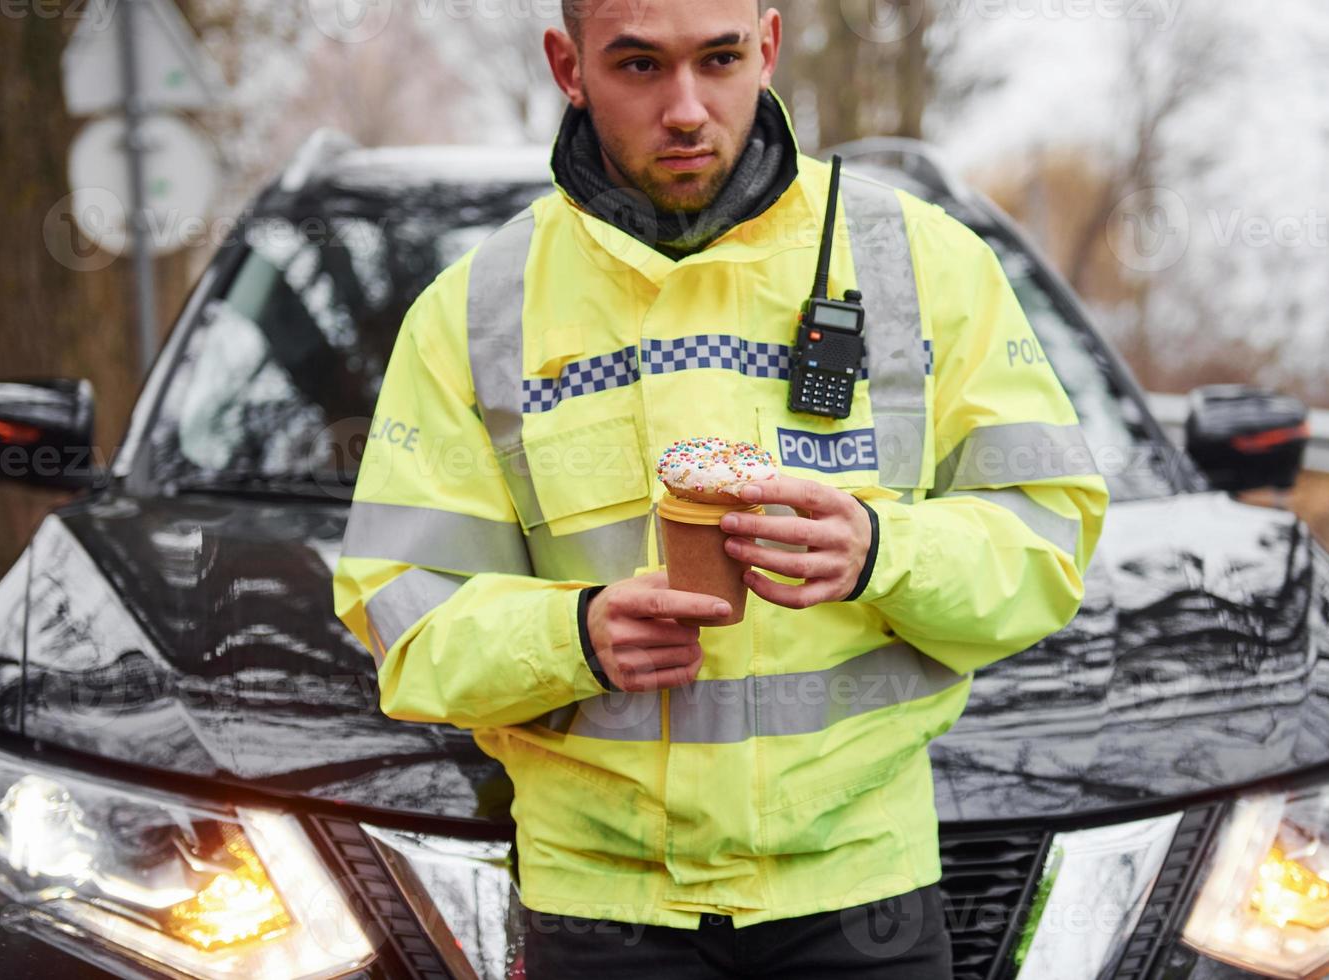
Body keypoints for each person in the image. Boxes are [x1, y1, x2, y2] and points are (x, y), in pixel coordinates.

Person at [333, 1, 1110, 976]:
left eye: (721, 58)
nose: (688, 107)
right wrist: (574, 634)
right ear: (567, 66)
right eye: (640, 66)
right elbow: (403, 613)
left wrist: (884, 551)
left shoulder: (924, 262)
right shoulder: (474, 311)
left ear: (770, 46)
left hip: (859, 888)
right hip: (599, 903)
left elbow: (1045, 540)